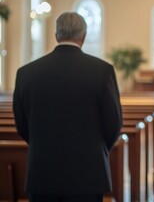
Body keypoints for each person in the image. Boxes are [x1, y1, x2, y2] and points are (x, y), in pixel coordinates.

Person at [13, 12, 122, 202]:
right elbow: (113, 122)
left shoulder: (26, 73)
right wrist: (96, 150)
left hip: (42, 172)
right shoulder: (102, 71)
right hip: (89, 173)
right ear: (84, 36)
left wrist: (44, 146)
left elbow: (22, 123)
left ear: (56, 36)